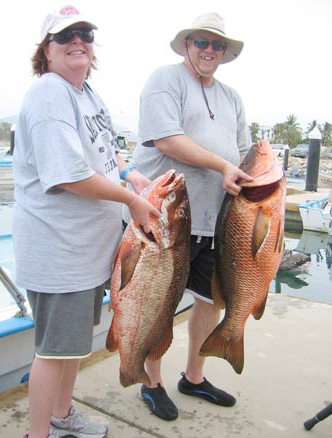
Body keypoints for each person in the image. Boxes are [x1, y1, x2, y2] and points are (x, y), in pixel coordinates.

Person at [13, 5, 160, 438]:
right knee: (54, 351)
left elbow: (102, 150)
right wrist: (133, 201)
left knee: (73, 346)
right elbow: (69, 174)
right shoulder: (49, 93)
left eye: (85, 33)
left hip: (89, 250)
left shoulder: (87, 93)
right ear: (46, 50)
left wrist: (129, 172)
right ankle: (38, 433)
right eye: (65, 36)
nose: (78, 40)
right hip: (60, 251)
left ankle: (63, 414)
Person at [122, 12, 253, 421]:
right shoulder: (165, 79)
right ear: (186, 46)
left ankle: (193, 376)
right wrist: (221, 166)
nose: (209, 50)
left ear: (224, 52)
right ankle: (151, 381)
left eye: (217, 45)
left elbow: (243, 151)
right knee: (159, 303)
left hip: (217, 220)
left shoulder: (232, 96)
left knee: (210, 301)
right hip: (167, 222)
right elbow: (167, 139)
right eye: (201, 42)